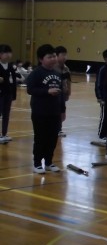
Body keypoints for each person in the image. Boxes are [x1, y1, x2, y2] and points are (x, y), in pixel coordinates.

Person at [27, 44, 65, 173]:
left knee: (52, 138)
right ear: (41, 59)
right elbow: (30, 89)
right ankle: (37, 163)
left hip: (54, 112)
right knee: (40, 138)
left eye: (54, 56)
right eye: (49, 57)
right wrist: (47, 91)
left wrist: (62, 110)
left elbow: (61, 94)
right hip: (40, 112)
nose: (53, 59)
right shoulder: (36, 73)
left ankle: (49, 162)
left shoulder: (57, 73)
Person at [0, 45, 18, 143]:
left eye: (9, 53)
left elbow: (14, 81)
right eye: (5, 53)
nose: (8, 55)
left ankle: (4, 134)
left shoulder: (11, 66)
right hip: (1, 94)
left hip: (8, 93)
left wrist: (14, 94)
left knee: (6, 114)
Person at [95, 49, 107, 144]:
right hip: (104, 99)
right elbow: (98, 84)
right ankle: (101, 135)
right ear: (106, 59)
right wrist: (99, 97)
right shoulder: (102, 69)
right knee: (104, 116)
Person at [54, 46, 71, 137]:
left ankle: (59, 129)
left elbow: (68, 81)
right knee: (55, 111)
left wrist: (68, 92)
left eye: (65, 55)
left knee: (62, 112)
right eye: (63, 55)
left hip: (62, 94)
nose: (65, 57)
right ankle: (55, 128)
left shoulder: (66, 68)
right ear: (56, 56)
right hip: (54, 94)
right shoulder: (53, 68)